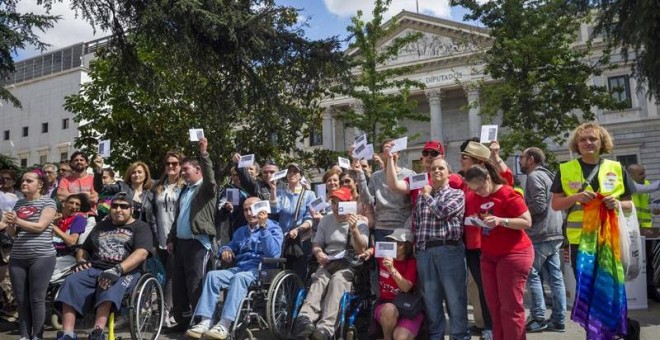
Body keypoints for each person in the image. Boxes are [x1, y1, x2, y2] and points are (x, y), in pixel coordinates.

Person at [550, 122, 634, 339]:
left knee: (609, 289)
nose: (588, 143)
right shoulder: (566, 169)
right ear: (576, 144)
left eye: (593, 139)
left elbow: (629, 204)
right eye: (583, 139)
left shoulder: (616, 168)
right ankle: (594, 333)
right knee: (587, 291)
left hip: (609, 240)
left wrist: (616, 203)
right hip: (581, 243)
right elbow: (556, 204)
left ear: (601, 142)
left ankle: (610, 333)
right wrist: (576, 198)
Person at [54, 192, 153, 340]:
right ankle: (68, 333)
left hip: (126, 272)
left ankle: (97, 332)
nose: (118, 209)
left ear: (131, 209)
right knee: (71, 281)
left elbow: (141, 253)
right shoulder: (101, 226)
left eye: (124, 207)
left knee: (108, 284)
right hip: (95, 268)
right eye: (115, 206)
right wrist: (81, 261)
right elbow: (84, 249)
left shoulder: (140, 227)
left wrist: (117, 269)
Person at [185, 196, 283, 339]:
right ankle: (205, 321)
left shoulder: (274, 227)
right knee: (213, 276)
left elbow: (274, 254)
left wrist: (264, 228)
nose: (249, 213)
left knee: (239, 278)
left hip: (263, 270)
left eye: (252, 209)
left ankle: (225, 324)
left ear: (261, 209)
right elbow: (229, 246)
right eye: (245, 210)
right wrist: (226, 250)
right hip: (241, 269)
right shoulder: (241, 231)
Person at [465, 163, 533, 340]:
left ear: (488, 178)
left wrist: (501, 221)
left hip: (514, 254)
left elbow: (526, 221)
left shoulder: (507, 193)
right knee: (494, 306)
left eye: (480, 188)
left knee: (510, 308)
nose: (478, 192)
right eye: (474, 189)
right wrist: (475, 220)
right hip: (489, 255)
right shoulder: (475, 196)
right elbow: (480, 215)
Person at [293, 187, 369, 340]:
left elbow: (362, 249)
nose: (335, 207)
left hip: (349, 265)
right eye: (333, 203)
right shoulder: (326, 219)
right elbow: (317, 244)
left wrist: (354, 229)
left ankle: (325, 328)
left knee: (337, 281)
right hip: (328, 262)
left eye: (339, 203)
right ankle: (305, 318)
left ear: (348, 204)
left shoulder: (360, 221)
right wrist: (319, 253)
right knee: (319, 278)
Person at [410, 158, 469, 340]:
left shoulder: (456, 194)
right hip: (425, 252)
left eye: (441, 168)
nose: (436, 171)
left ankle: (459, 335)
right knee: (431, 300)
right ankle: (436, 336)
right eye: (433, 168)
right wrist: (418, 249)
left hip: (448, 250)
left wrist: (427, 196)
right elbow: (417, 224)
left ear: (449, 174)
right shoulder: (421, 197)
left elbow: (442, 212)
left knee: (455, 298)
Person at [167, 137, 217, 328]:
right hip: (181, 244)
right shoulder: (185, 190)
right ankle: (183, 321)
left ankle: (200, 322)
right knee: (179, 285)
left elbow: (211, 178)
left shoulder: (206, 190)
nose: (183, 173)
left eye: (186, 169)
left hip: (198, 243)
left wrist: (204, 153)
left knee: (195, 284)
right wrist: (172, 238)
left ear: (198, 170)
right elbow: (179, 217)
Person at [0, 170, 57, 340]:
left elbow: (40, 227)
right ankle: (25, 335)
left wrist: (17, 221)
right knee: (21, 299)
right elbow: (12, 234)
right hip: (18, 257)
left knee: (37, 298)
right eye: (23, 181)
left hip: (41, 256)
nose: (24, 183)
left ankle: (37, 335)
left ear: (40, 184)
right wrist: (10, 223)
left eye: (29, 181)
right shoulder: (19, 204)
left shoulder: (49, 203)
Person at [518, 147, 566, 332]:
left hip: (541, 233)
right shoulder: (550, 176)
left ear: (531, 159)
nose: (520, 161)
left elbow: (538, 205)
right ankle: (559, 319)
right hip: (554, 232)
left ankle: (538, 317)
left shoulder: (534, 176)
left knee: (532, 274)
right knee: (555, 278)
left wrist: (520, 214)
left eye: (522, 157)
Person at [360, 228, 422, 340]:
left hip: (407, 307)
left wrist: (391, 269)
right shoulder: (385, 255)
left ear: (407, 247)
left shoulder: (412, 263)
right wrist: (368, 252)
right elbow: (374, 249)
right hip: (386, 305)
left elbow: (406, 287)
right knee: (390, 309)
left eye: (398, 243)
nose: (394, 245)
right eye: (392, 242)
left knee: (401, 337)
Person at [151, 151, 185, 326]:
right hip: (160, 235)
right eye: (168, 164)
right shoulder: (157, 187)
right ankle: (168, 310)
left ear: (180, 166)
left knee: (172, 276)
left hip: (178, 236)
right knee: (165, 275)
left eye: (175, 163)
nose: (171, 166)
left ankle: (166, 311)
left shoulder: (185, 186)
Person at [273, 163, 316, 280]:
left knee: (298, 274)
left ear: (300, 175)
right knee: (281, 273)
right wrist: (273, 190)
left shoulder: (309, 195)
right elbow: (273, 209)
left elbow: (309, 219)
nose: (292, 174)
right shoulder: (280, 193)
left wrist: (298, 229)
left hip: (300, 240)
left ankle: (298, 297)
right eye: (289, 171)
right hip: (282, 239)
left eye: (295, 172)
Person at [627, 164, 660, 302]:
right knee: (632, 262)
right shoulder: (628, 185)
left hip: (647, 231)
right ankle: (634, 292)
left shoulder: (645, 184)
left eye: (644, 172)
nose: (644, 176)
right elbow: (647, 188)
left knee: (649, 261)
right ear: (631, 175)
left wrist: (656, 209)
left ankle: (650, 290)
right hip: (631, 232)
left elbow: (651, 205)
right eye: (640, 174)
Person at [94, 160, 156, 231]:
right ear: (130, 175)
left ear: (146, 174)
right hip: (122, 231)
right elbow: (100, 189)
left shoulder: (151, 193)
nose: (136, 175)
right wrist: (99, 170)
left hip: (144, 231)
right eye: (133, 172)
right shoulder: (121, 187)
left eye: (139, 172)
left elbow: (153, 218)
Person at [51, 194, 91, 277]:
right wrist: (53, 221)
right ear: (63, 204)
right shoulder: (56, 217)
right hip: (48, 252)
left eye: (77, 204)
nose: (74, 206)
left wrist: (52, 226)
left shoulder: (79, 219)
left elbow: (72, 241)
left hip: (64, 256)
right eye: (71, 203)